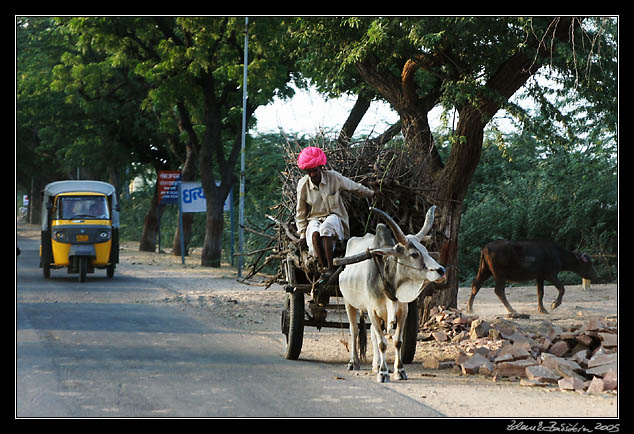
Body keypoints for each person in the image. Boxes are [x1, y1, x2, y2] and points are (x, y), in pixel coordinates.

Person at [295, 146, 375, 279]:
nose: (312, 175)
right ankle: (322, 267)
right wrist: (302, 235)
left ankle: (331, 268)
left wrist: (371, 193)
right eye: (309, 172)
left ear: (321, 167)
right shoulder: (303, 185)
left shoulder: (334, 177)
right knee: (315, 233)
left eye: (314, 171)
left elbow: (354, 187)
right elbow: (301, 212)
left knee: (326, 228)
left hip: (335, 217)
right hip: (314, 219)